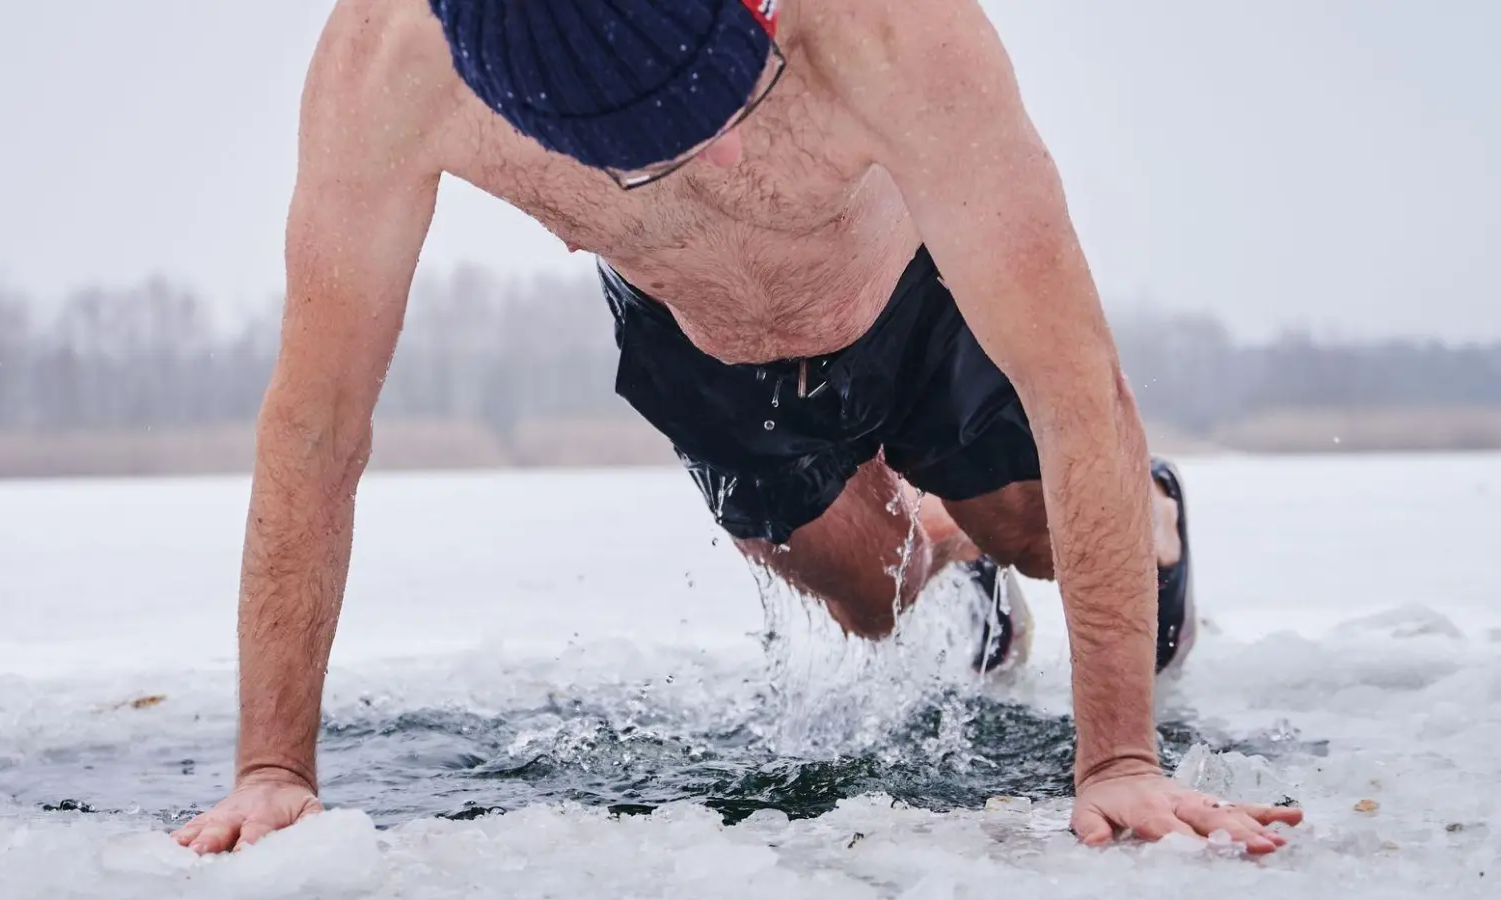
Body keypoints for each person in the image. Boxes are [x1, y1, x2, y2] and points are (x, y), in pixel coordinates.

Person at [172, 0, 1305, 856]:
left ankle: (1134, 516)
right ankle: (945, 556)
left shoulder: (896, 32)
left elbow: (1075, 387)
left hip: (913, 282)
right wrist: (271, 769)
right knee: (876, 596)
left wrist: (1116, 758)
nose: (705, 165)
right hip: (696, 336)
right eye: (637, 164)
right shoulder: (390, 60)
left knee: (1033, 525)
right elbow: (315, 431)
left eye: (714, 122)